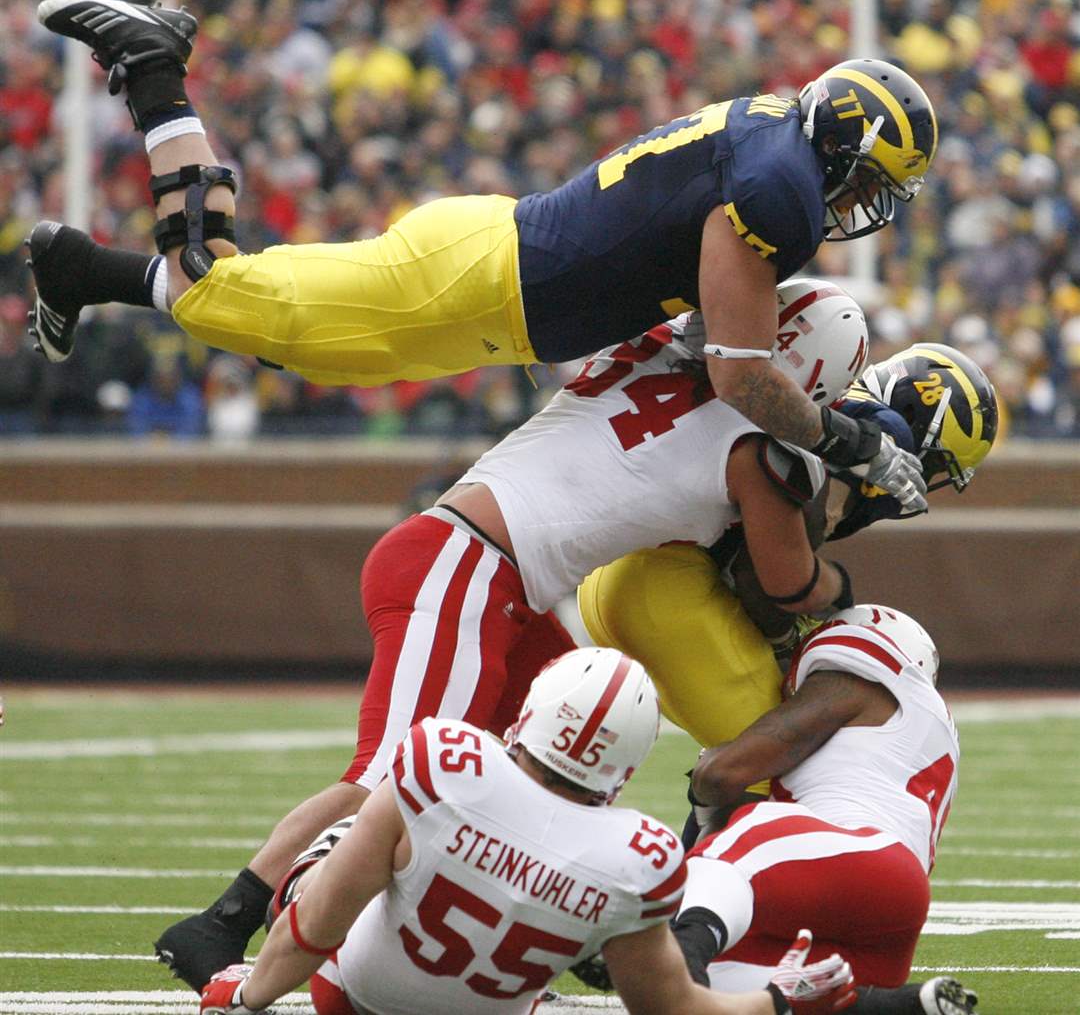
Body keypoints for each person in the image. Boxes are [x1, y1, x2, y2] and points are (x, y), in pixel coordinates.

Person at [156, 280, 870, 991]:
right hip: (466, 569)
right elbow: (789, 585)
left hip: (495, 582)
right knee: (387, 779)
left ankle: (578, 931)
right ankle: (223, 922)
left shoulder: (649, 349)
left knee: (555, 763)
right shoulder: (759, 447)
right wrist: (846, 589)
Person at [28, 0, 930, 510]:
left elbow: (701, 288)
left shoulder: (774, 140)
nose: (866, 206)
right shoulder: (782, 187)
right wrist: (847, 443)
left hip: (493, 277)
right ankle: (152, 70)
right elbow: (742, 375)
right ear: (847, 143)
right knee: (216, 290)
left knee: (292, 343)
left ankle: (81, 268)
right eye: (874, 181)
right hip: (484, 279)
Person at [198, 647, 858, 1015]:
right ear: (625, 765)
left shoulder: (445, 763)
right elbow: (672, 1010)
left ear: (534, 714)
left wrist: (246, 993)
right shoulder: (641, 855)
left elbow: (315, 924)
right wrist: (775, 1001)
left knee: (340, 847)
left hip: (355, 1001)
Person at [576, 342, 998, 756]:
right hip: (664, 591)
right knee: (778, 770)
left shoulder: (826, 407)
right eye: (939, 464)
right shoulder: (878, 443)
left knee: (746, 760)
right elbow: (770, 579)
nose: (932, 478)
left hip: (621, 575)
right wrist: (819, 607)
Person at [664, 604, 978, 1015]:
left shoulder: (863, 675)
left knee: (744, 832)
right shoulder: (922, 729)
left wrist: (706, 808)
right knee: (726, 977)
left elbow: (721, 775)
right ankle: (895, 1006)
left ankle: (683, 954)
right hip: (886, 914)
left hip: (855, 857)